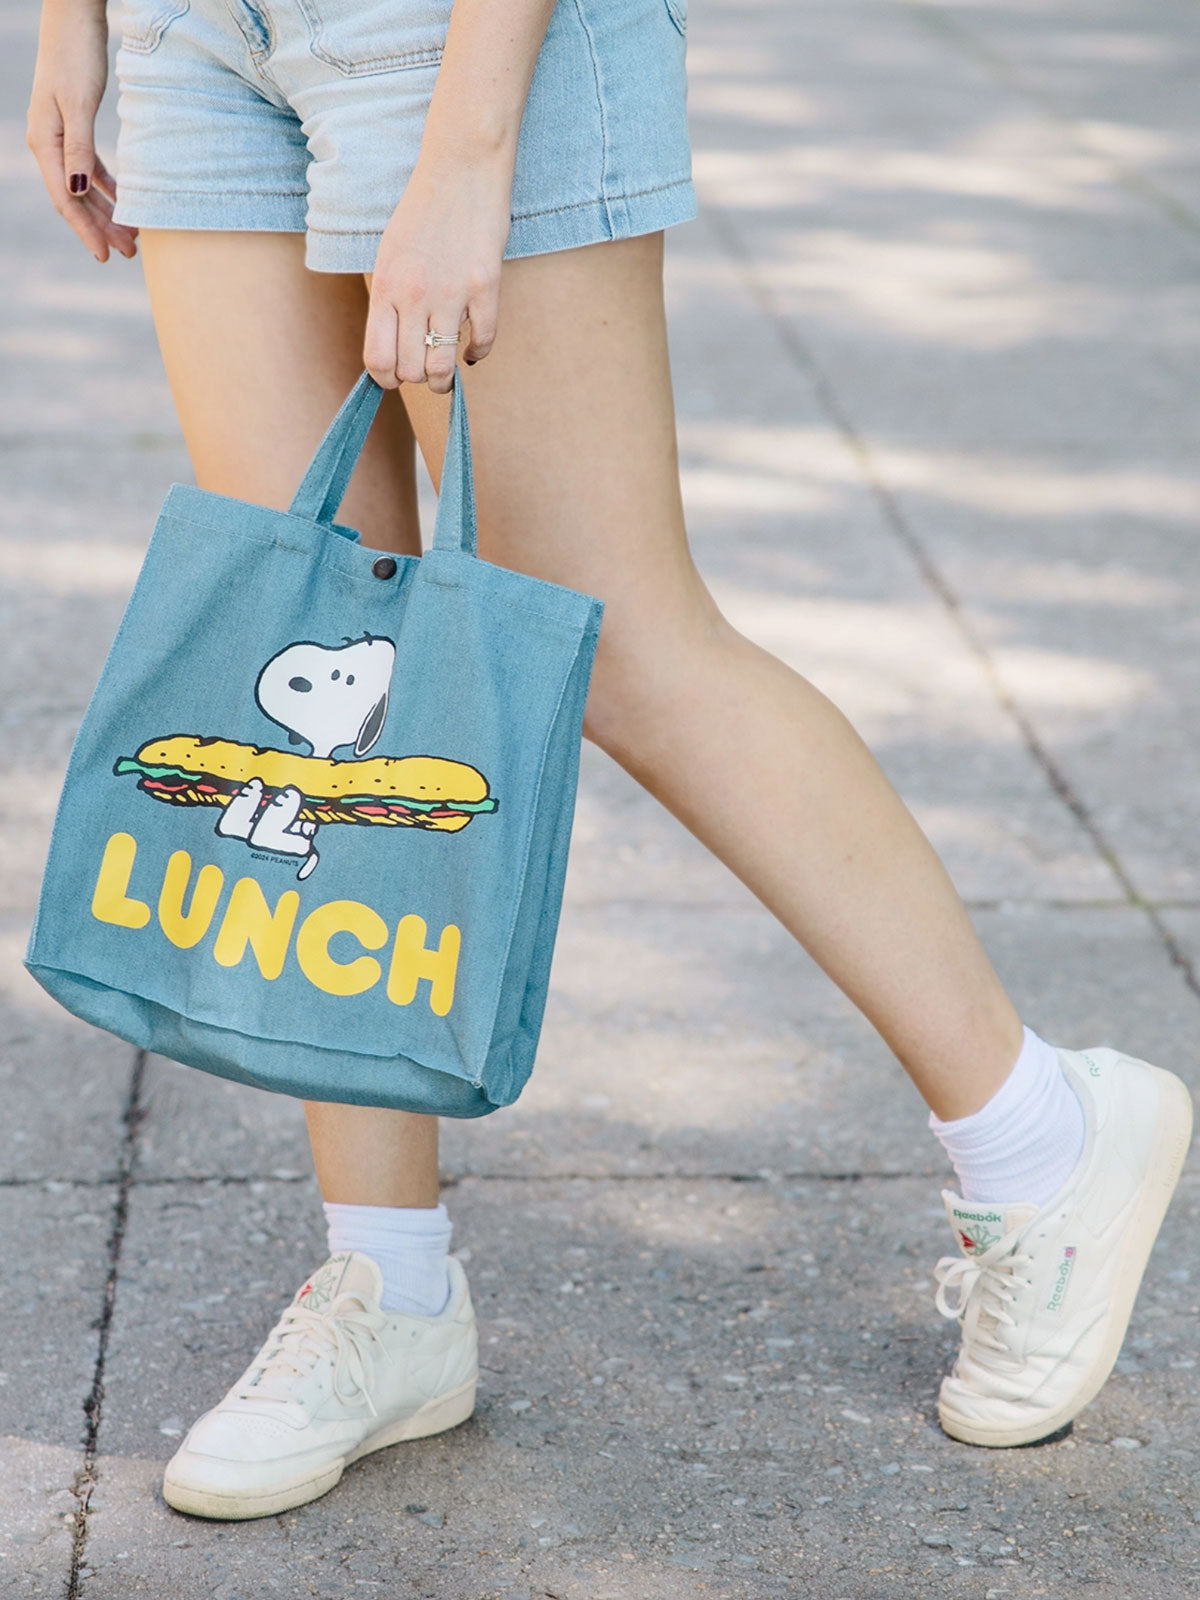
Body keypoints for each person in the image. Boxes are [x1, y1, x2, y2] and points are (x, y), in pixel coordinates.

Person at [26, 0, 1192, 1524]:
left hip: (451, 36)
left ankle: (1044, 1129)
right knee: (310, 652)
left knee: (619, 637)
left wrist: (469, 145)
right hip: (193, 37)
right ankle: (389, 1292)